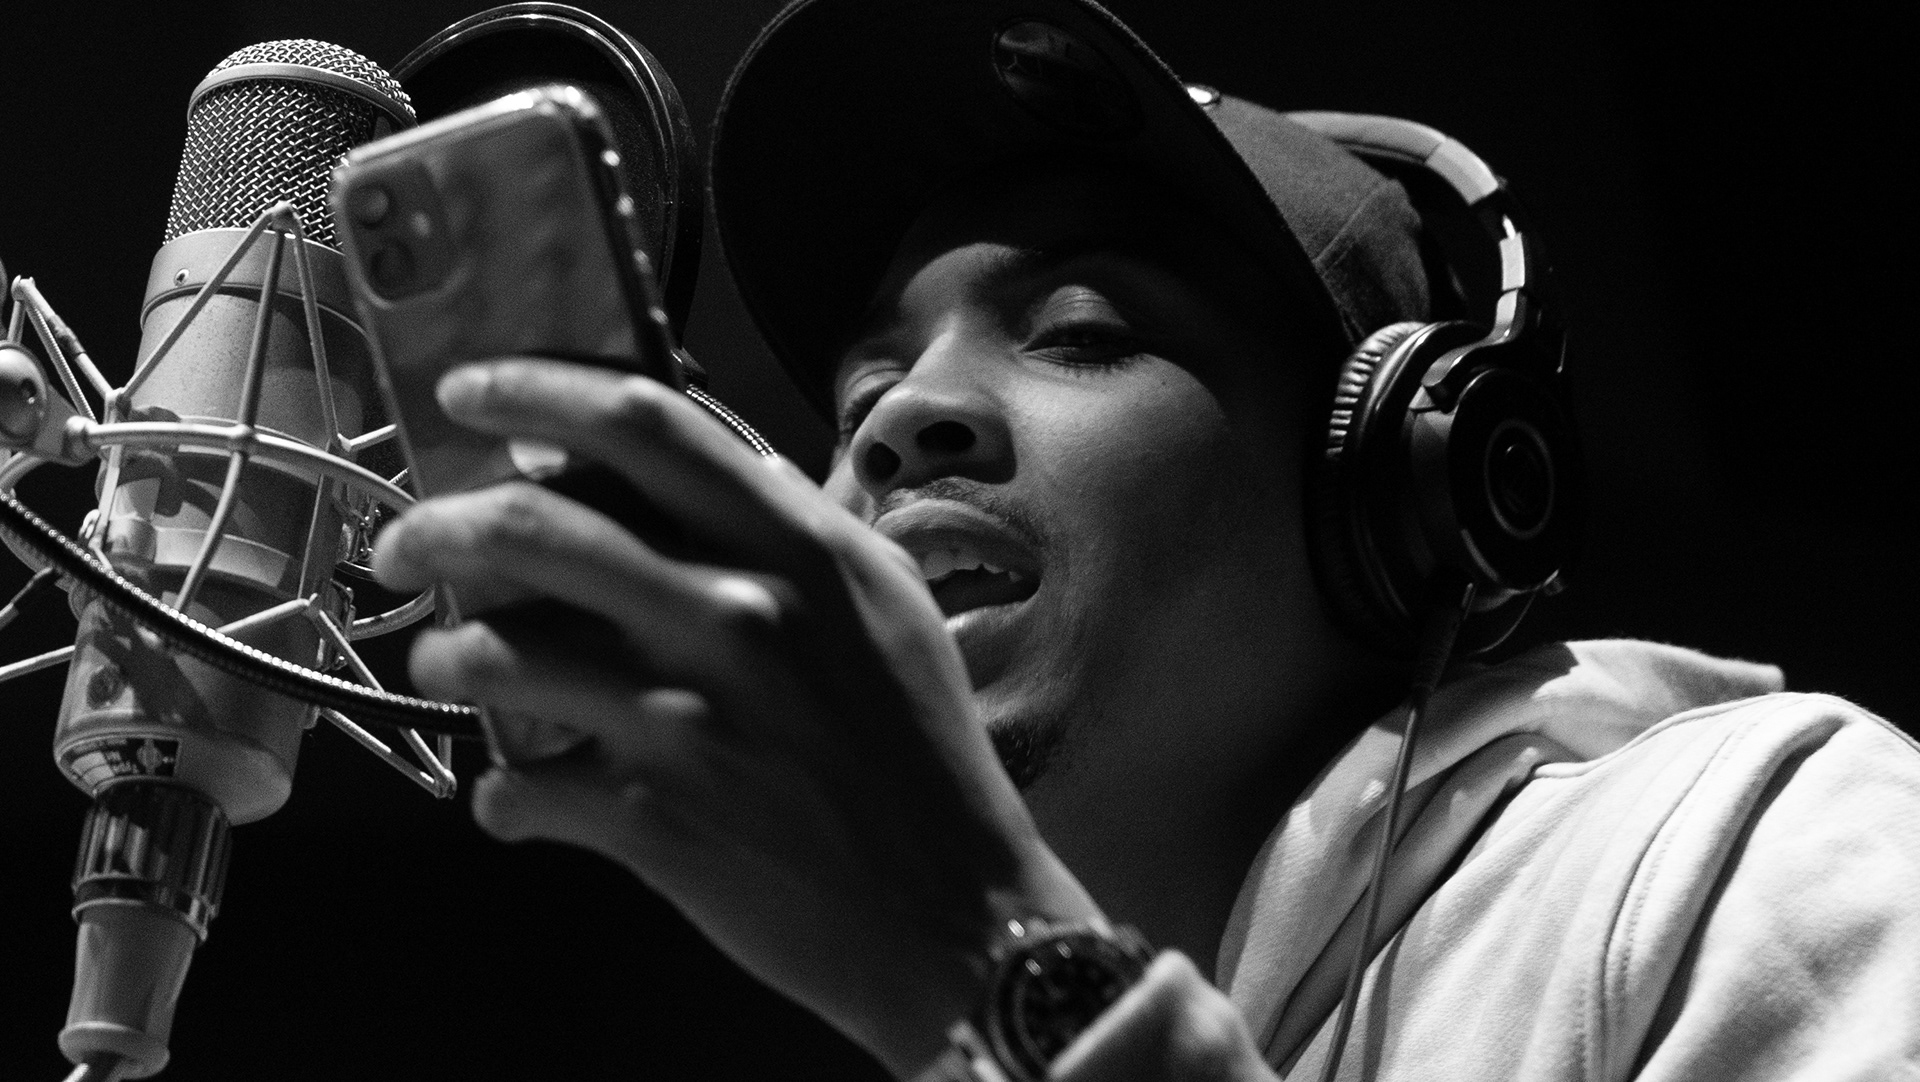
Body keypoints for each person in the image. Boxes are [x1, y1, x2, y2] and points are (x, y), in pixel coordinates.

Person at [370, 0, 1920, 1078]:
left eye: (1081, 330)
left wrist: (990, 964)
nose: (904, 422)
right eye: (858, 398)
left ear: (1394, 484)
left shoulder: (1744, 848)